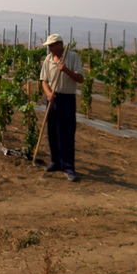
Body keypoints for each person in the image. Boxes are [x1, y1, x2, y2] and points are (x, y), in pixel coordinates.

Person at [40, 34, 84, 181]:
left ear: (60, 45)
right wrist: (48, 93)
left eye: (52, 45)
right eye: (48, 46)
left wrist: (65, 70)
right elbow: (44, 81)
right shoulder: (48, 59)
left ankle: (68, 167)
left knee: (66, 133)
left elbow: (80, 79)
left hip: (67, 99)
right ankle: (55, 162)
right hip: (52, 99)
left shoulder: (72, 57)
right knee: (52, 131)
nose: (49, 48)